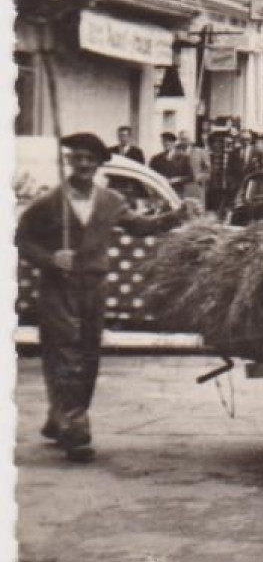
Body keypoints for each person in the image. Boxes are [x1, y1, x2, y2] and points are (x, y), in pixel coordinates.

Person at [17, 133, 195, 462]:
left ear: (99, 164)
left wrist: (174, 218)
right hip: (58, 287)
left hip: (94, 287)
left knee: (87, 353)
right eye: (78, 157)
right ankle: (76, 426)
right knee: (64, 351)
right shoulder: (49, 202)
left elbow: (140, 226)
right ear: (69, 161)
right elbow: (23, 239)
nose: (83, 164)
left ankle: (60, 415)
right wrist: (51, 258)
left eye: (90, 159)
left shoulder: (111, 201)